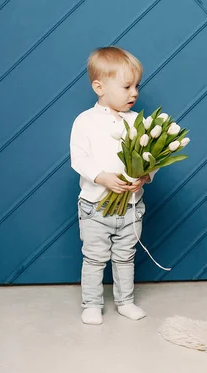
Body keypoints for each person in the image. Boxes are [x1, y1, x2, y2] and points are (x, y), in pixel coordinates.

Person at [70, 46, 155, 325]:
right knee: (94, 259)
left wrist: (145, 176)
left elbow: (148, 159)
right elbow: (79, 159)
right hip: (96, 207)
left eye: (137, 86)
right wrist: (101, 176)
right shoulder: (85, 121)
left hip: (131, 207)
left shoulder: (138, 122)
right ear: (99, 87)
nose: (134, 93)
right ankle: (92, 304)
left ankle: (125, 301)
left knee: (125, 258)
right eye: (127, 86)